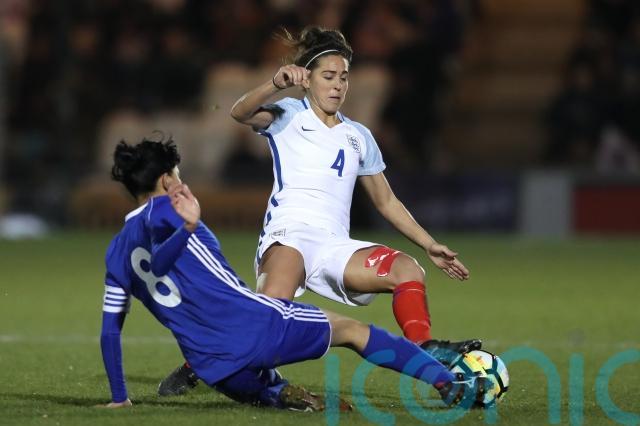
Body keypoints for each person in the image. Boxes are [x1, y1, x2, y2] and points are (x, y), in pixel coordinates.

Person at [161, 25, 481, 396]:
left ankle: (424, 350)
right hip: (289, 237)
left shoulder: (358, 136)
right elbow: (239, 112)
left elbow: (386, 201)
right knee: (269, 317)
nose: (338, 85)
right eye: (328, 77)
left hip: (333, 245)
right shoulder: (288, 114)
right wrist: (275, 84)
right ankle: (197, 363)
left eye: (343, 77)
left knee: (408, 269)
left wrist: (429, 244)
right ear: (308, 79)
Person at [99, 137, 490, 411]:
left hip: (211, 366)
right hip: (253, 324)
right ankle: (448, 383)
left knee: (268, 388)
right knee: (355, 332)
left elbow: (110, 331)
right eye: (178, 175)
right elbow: (161, 258)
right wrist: (187, 227)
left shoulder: (115, 253)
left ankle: (278, 394)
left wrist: (120, 397)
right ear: (167, 179)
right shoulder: (172, 209)